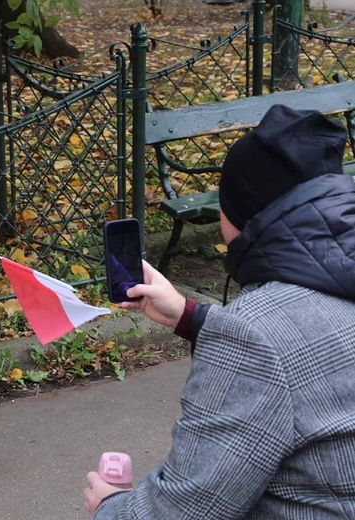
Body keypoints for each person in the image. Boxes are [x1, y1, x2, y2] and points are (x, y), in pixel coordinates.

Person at [84, 104, 355, 518]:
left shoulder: (255, 336)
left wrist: (111, 506)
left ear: (242, 213)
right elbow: (314, 349)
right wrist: (189, 317)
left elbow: (188, 508)